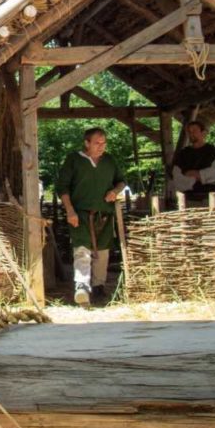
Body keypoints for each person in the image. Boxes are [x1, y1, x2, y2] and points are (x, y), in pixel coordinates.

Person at [57, 128, 126, 307]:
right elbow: (62, 187)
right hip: (80, 213)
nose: (101, 146)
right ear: (87, 143)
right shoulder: (74, 160)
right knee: (82, 250)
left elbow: (121, 180)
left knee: (102, 252)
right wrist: (70, 210)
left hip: (104, 214)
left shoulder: (109, 160)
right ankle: (81, 287)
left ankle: (98, 286)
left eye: (104, 143)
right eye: (97, 143)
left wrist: (114, 191)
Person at [170, 119, 215, 203]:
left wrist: (193, 174)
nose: (191, 134)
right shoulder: (182, 155)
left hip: (213, 198)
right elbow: (177, 179)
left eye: (194, 131)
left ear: (203, 133)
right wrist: (203, 177)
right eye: (189, 131)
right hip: (190, 200)